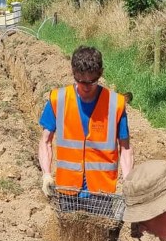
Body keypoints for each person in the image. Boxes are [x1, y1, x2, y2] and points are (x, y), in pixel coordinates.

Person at [37, 46, 134, 207]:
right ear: (73, 73)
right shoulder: (58, 99)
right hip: (67, 188)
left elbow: (125, 148)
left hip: (101, 192)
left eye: (92, 81)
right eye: (80, 80)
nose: (86, 87)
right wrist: (46, 174)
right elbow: (45, 141)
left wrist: (129, 181)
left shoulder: (115, 104)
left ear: (100, 73)